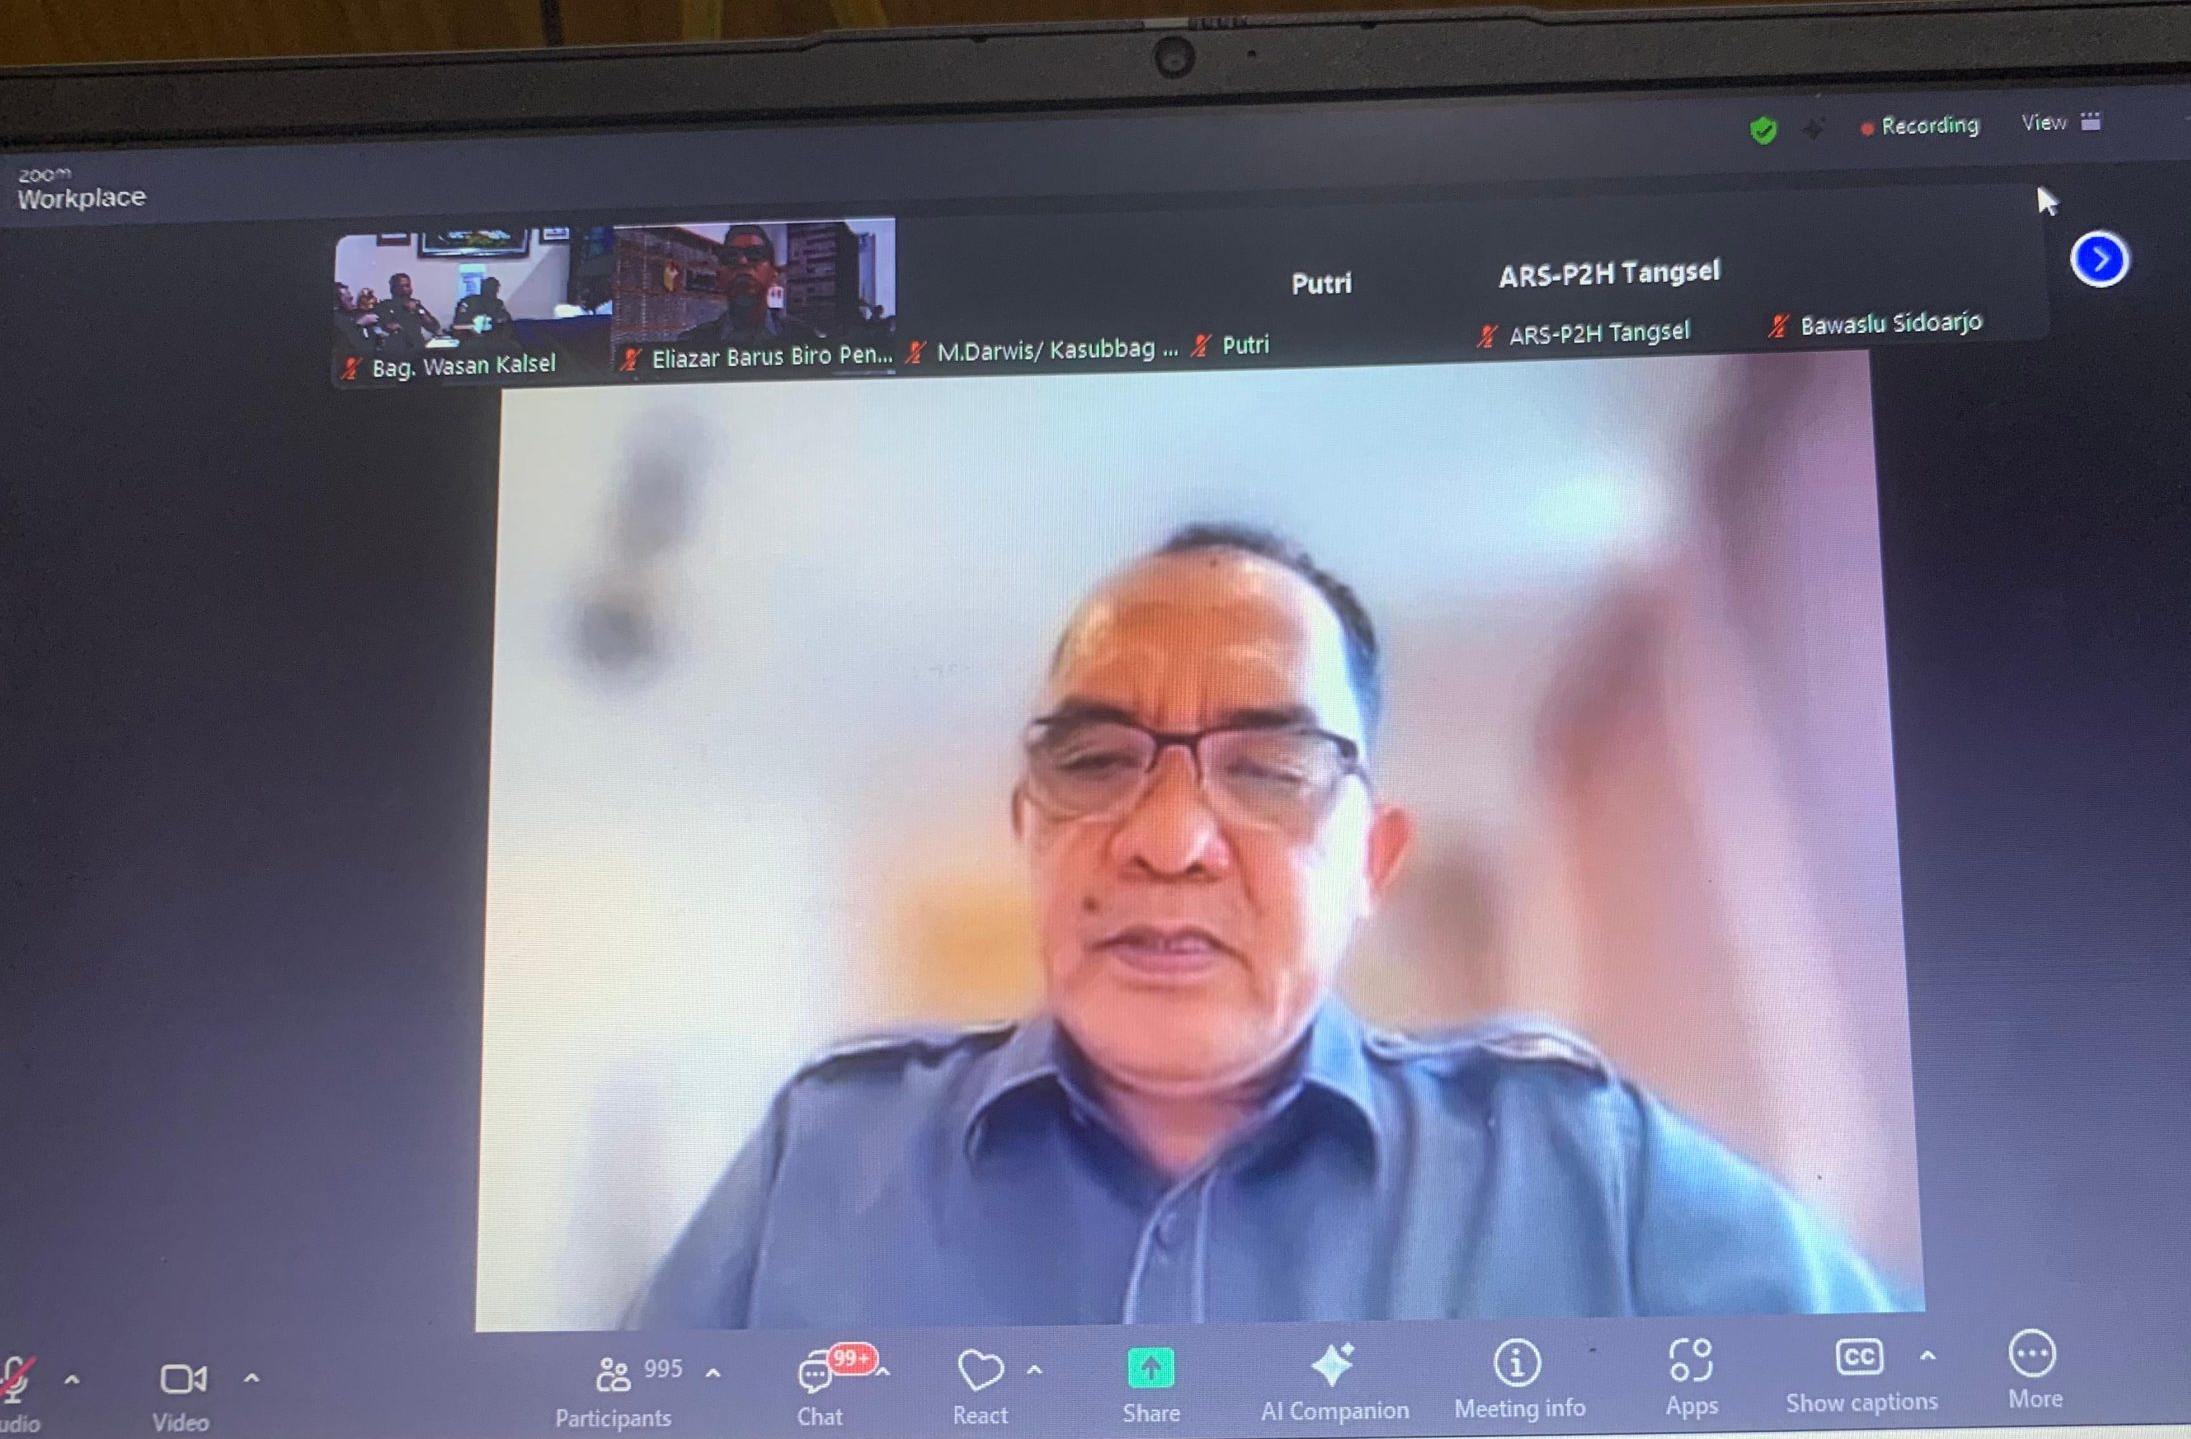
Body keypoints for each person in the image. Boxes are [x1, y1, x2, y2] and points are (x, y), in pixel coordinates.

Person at [625, 524, 1900, 1328]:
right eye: (1095, 761)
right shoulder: (821, 1158)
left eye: (1270, 767)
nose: (1168, 838)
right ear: (1029, 828)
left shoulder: (1583, 1167)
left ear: (1371, 861)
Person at [676, 223, 821, 345]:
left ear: (773, 274)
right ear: (719, 277)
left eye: (755, 254)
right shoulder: (691, 343)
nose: (742, 262)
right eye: (731, 256)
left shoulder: (804, 339)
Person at [370, 271, 442, 353]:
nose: (405, 289)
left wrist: (419, 311)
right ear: (393, 288)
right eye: (401, 286)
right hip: (396, 351)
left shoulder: (416, 305)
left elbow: (434, 327)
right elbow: (389, 327)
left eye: (408, 286)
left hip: (418, 350)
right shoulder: (384, 306)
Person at [449, 275, 517, 345]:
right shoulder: (470, 302)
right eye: (496, 288)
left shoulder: (497, 303)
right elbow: (458, 326)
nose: (497, 290)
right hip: (473, 341)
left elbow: (507, 322)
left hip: (492, 341)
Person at [332, 281, 382, 352]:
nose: (352, 300)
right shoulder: (337, 318)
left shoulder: (355, 314)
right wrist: (359, 323)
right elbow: (343, 336)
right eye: (349, 299)